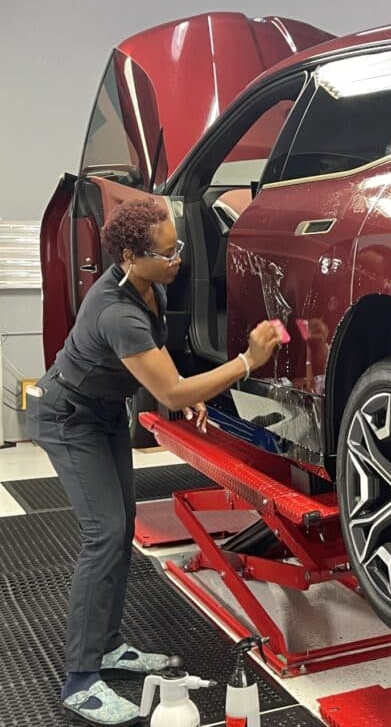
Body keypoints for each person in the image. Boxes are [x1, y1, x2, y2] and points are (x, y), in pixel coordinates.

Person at [26, 197, 281, 727]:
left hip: (103, 412)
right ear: (129, 257)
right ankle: (80, 681)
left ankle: (109, 646)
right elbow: (168, 388)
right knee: (103, 535)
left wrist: (185, 393)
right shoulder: (116, 311)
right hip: (68, 418)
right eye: (166, 254)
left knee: (120, 530)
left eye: (176, 247)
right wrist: (245, 362)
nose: (177, 260)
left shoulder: (150, 287)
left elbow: (163, 371)